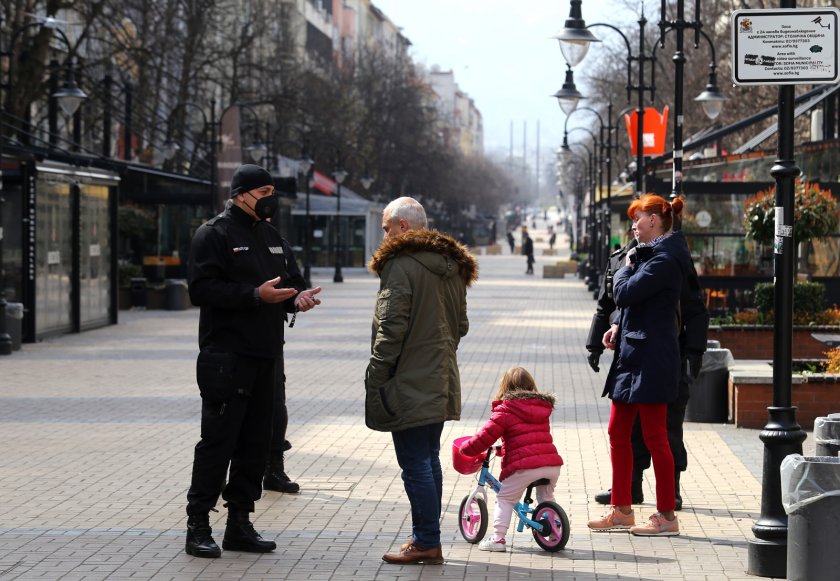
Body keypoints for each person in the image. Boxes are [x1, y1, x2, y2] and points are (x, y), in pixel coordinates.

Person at [185, 164, 322, 558]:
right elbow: (202, 289)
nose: (270, 197)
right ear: (241, 194)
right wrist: (253, 296)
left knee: (256, 445)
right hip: (227, 357)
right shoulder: (213, 234)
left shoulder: (272, 236)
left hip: (267, 356)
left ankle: (239, 523)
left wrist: (298, 298)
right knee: (218, 443)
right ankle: (198, 525)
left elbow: (291, 280)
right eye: (264, 190)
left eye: (272, 190)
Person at [366, 196, 478, 565]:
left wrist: (376, 376)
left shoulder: (400, 266)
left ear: (403, 227)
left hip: (409, 380)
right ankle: (426, 539)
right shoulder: (452, 265)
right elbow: (460, 326)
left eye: (386, 228)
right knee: (428, 460)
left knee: (416, 464)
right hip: (439, 378)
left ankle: (427, 541)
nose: (383, 237)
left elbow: (390, 328)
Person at [587, 194, 694, 537]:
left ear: (655, 221)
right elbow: (637, 304)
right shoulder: (650, 254)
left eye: (639, 217)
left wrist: (627, 267)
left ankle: (666, 516)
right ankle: (621, 509)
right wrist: (618, 326)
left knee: (655, 438)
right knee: (618, 432)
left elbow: (625, 293)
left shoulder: (665, 257)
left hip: (653, 360)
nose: (633, 224)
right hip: (632, 355)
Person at [458, 367, 564, 552]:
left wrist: (466, 449)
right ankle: (556, 528)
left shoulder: (506, 409)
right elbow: (528, 437)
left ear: (505, 387)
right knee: (546, 497)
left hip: (527, 467)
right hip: (551, 463)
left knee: (505, 498)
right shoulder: (542, 407)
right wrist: (501, 449)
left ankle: (497, 540)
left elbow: (485, 437)